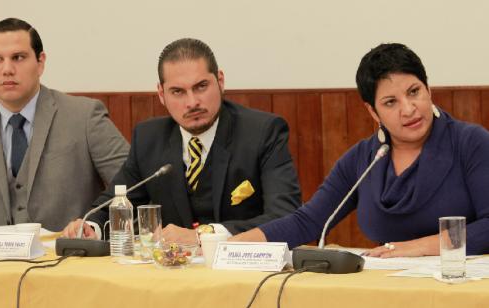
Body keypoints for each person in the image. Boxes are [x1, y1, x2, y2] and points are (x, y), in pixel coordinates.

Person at [231, 43, 489, 257]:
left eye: (414, 92)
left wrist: (420, 247)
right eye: (391, 102)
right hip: (387, 286)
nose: (409, 109)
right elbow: (308, 221)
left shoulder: (470, 143)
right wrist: (234, 247)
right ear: (372, 111)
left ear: (429, 89)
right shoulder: (364, 158)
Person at [63, 38, 301, 243]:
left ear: (220, 81)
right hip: (173, 275)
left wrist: (204, 236)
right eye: (178, 91)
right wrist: (90, 226)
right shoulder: (149, 138)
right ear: (161, 94)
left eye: (201, 87)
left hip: (246, 273)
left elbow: (285, 215)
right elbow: (115, 201)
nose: (192, 102)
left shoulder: (262, 132)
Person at [0, 18, 130, 231]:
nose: (7, 69)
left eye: (18, 57)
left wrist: (94, 226)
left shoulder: (84, 116)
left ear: (40, 62)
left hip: (71, 257)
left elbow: (133, 187)